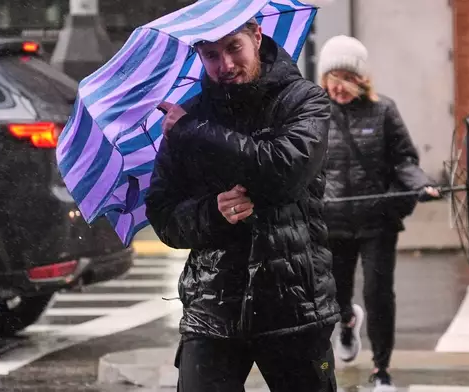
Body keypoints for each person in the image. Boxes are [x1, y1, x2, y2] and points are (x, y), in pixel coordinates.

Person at [145, 19, 340, 392]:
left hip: (293, 303)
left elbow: (284, 172)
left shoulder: (304, 100)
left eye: (234, 47)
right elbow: (164, 214)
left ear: (256, 37)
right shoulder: (188, 115)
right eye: (211, 55)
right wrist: (211, 213)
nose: (225, 65)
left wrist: (194, 132)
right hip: (212, 306)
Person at [317, 35, 440, 392]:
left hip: (377, 221)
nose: (339, 87)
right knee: (336, 294)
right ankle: (345, 321)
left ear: (362, 79)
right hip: (333, 221)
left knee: (378, 294)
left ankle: (381, 369)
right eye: (333, 78)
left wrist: (421, 184)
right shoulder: (315, 114)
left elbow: (405, 160)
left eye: (347, 78)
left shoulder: (383, 110)